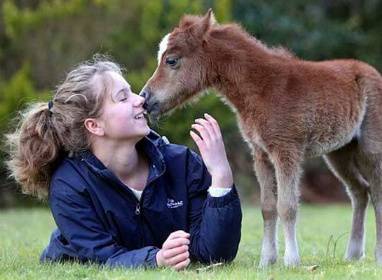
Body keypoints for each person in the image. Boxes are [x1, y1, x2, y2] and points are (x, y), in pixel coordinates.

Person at [5, 57, 242, 270]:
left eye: (132, 92)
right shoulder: (69, 187)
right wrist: (157, 259)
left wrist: (221, 177)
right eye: (123, 97)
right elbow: (103, 258)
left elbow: (214, 255)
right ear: (94, 125)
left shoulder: (184, 164)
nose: (140, 100)